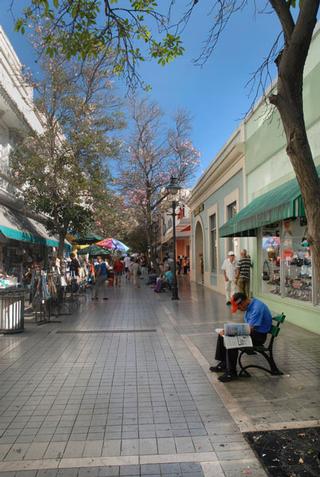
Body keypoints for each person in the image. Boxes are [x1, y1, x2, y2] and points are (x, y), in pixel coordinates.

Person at [210, 292, 272, 382]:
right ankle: (223, 363)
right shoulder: (251, 305)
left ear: (243, 302)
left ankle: (231, 373)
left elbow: (249, 329)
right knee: (222, 334)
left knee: (231, 339)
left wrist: (230, 331)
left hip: (258, 337)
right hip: (253, 332)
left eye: (239, 307)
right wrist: (228, 330)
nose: (239, 309)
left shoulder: (257, 308)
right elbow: (248, 327)